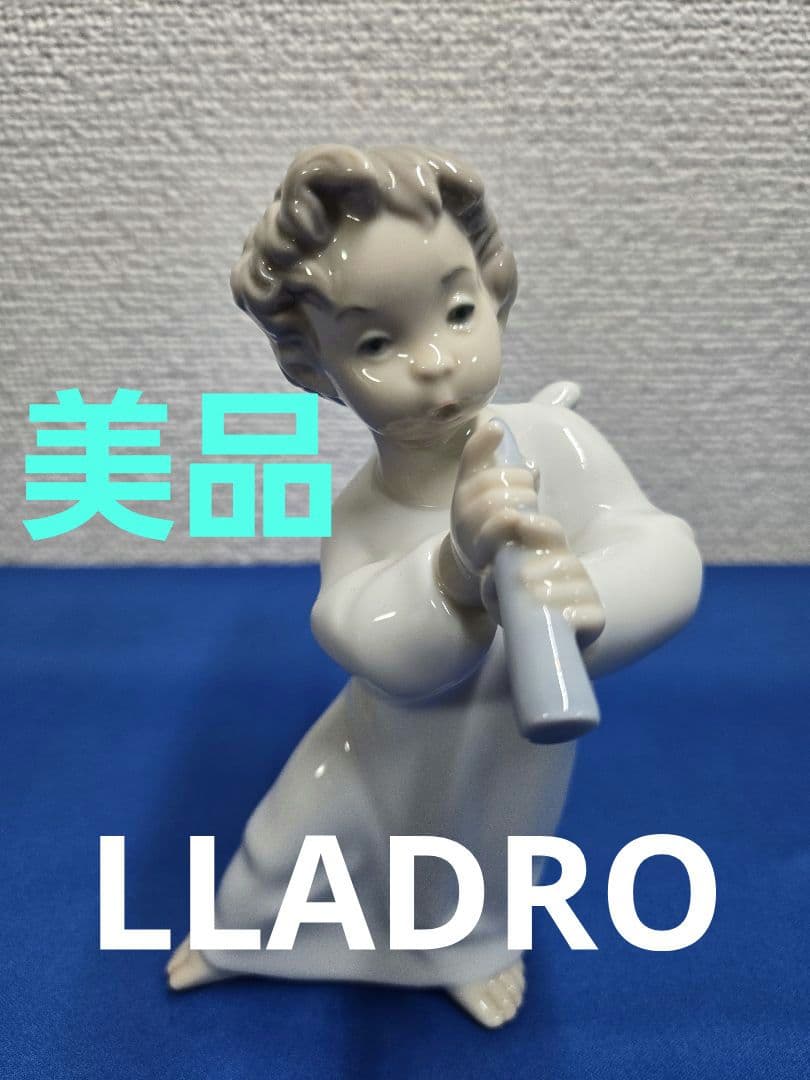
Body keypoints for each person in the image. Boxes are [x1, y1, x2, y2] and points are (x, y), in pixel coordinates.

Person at [166, 145, 702, 1028]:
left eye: (458, 311)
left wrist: (595, 597)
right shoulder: (362, 513)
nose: (435, 362)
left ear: (494, 293)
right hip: (383, 742)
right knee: (296, 836)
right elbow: (364, 639)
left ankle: (468, 951)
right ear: (318, 371)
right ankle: (243, 937)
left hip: (507, 743)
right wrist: (453, 570)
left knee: (484, 861)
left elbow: (660, 545)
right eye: (377, 343)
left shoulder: (555, 445)